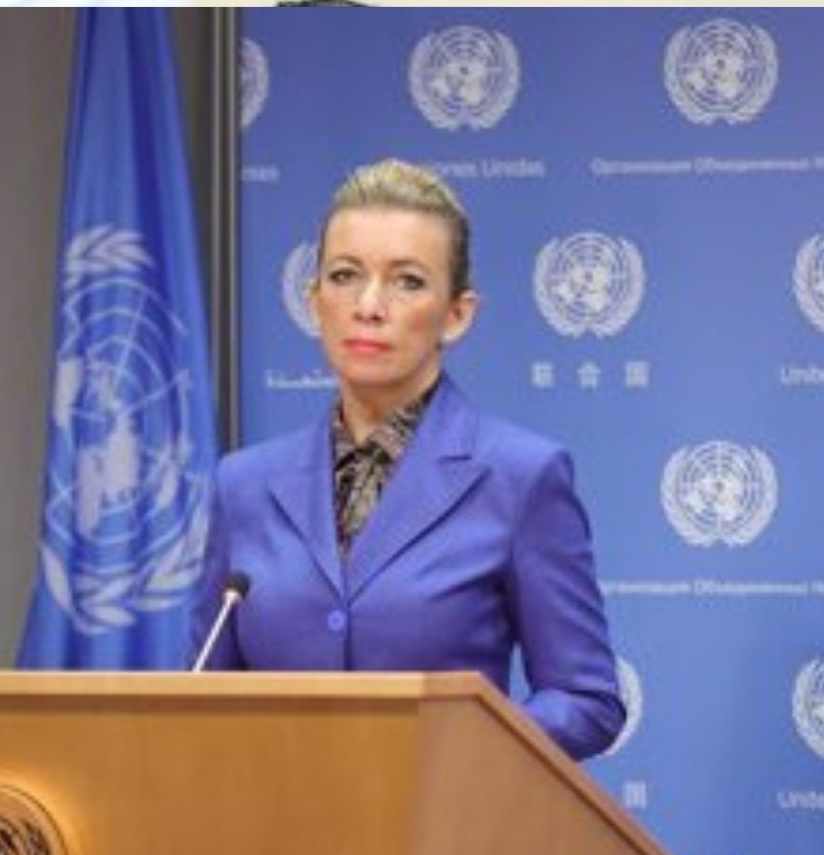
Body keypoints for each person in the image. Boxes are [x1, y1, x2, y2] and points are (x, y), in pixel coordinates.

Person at [191, 158, 624, 761]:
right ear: (314, 301)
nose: (369, 305)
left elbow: (586, 699)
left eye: (408, 282)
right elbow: (200, 699)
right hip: (275, 816)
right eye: (345, 275)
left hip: (446, 814)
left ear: (457, 314)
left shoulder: (522, 477)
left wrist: (458, 750)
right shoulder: (243, 485)